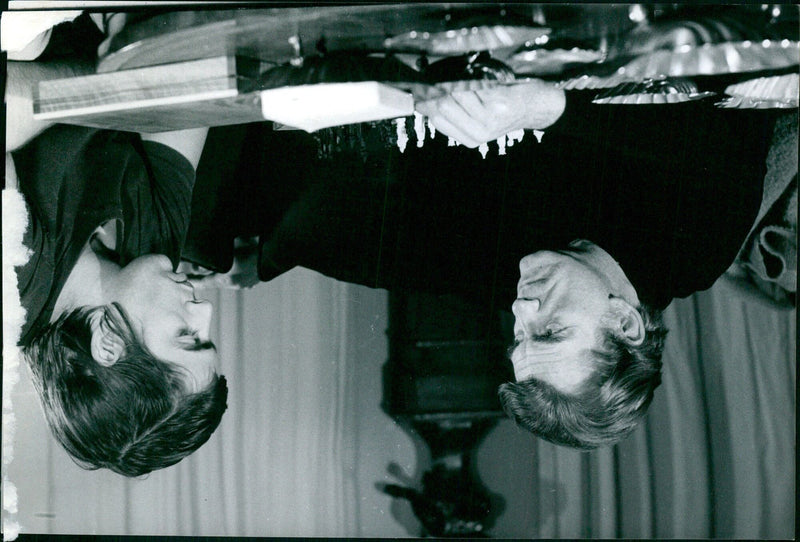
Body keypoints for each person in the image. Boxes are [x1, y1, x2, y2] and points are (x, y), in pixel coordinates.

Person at [184, 78, 784, 450]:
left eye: (519, 336)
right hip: (559, 61)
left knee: (208, 215)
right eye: (549, 330)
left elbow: (403, 260)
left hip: (415, 96)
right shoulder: (700, 243)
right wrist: (551, 108)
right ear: (626, 323)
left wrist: (268, 261)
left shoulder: (529, 284)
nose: (521, 310)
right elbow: (713, 124)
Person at [7, 37, 228, 475]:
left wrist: (123, 76)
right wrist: (136, 72)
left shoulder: (13, 284)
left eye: (187, 336)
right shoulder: (152, 257)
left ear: (109, 346)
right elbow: (192, 71)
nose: (203, 311)